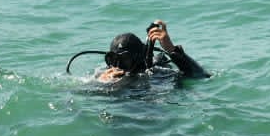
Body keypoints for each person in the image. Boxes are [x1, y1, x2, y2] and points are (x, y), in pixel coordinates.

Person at [70, 20, 209, 84]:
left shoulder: (157, 73)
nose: (117, 66)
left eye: (124, 60)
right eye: (112, 60)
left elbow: (201, 76)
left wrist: (171, 50)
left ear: (138, 58)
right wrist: (100, 83)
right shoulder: (102, 75)